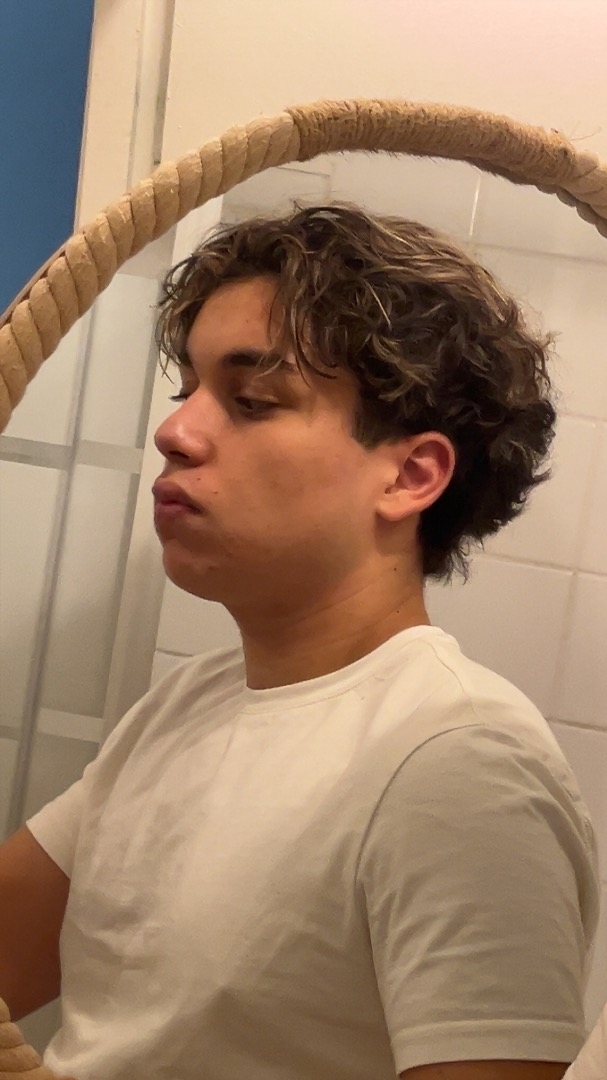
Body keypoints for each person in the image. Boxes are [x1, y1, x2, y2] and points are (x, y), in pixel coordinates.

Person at [0, 205, 600, 1080]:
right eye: (186, 391)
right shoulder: (188, 703)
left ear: (410, 474)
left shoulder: (458, 766)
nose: (174, 433)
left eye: (251, 402)